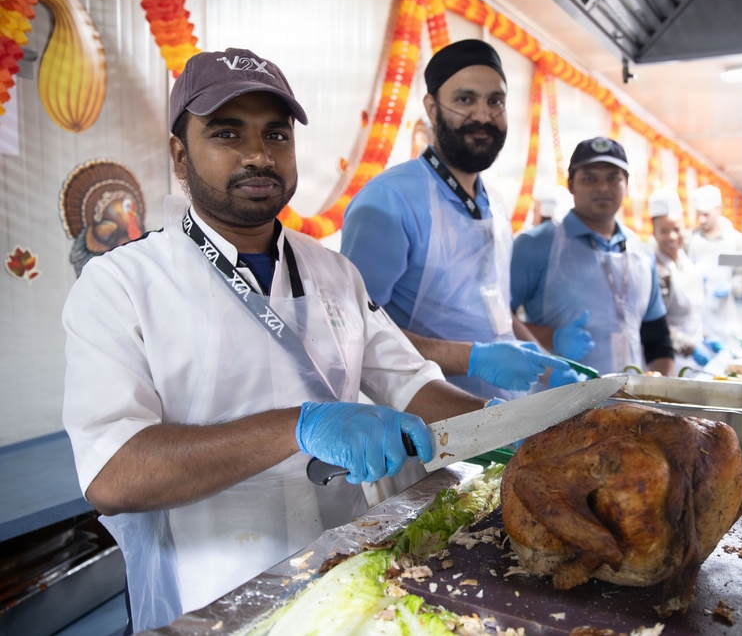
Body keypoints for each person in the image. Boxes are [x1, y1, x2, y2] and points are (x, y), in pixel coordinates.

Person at [62, 48, 491, 633]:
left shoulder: (334, 272)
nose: (258, 154)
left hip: (343, 580)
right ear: (179, 155)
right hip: (209, 598)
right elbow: (114, 475)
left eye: (276, 134)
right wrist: (298, 426)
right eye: (227, 133)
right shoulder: (121, 284)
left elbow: (412, 386)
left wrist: (521, 428)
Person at [341, 39, 571, 399]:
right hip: (433, 432)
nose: (483, 116)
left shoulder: (495, 203)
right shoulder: (388, 201)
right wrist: (472, 359)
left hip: (509, 421)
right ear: (432, 108)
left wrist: (546, 364)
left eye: (495, 101)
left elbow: (497, 313)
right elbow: (355, 329)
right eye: (465, 100)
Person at [509, 137, 675, 377]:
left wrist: (662, 395)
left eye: (613, 178)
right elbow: (497, 319)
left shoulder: (642, 253)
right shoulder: (536, 245)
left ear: (626, 184)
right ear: (571, 185)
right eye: (590, 178)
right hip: (557, 400)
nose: (603, 187)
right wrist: (552, 338)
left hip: (629, 401)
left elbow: (657, 338)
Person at [647, 188, 711, 373]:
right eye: (664, 231)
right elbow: (656, 324)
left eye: (677, 229)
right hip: (671, 360)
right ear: (655, 232)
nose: (672, 236)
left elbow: (694, 312)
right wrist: (690, 347)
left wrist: (706, 336)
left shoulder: (686, 261)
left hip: (696, 358)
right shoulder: (656, 269)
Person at [685, 184, 742, 341]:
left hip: (725, 315)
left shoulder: (735, 240)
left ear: (719, 209)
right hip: (694, 315)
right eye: (698, 214)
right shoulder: (689, 239)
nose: (701, 219)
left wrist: (732, 286)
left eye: (706, 215)